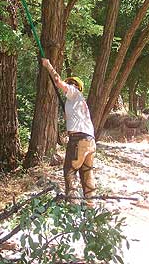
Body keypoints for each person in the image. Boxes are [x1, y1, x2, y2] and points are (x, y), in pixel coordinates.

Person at [42, 58, 96, 206]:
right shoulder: (79, 102)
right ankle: (91, 207)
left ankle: (72, 206)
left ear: (76, 86)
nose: (69, 85)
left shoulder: (74, 92)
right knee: (87, 172)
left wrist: (48, 66)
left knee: (70, 171)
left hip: (78, 139)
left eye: (71, 83)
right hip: (90, 140)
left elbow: (58, 81)